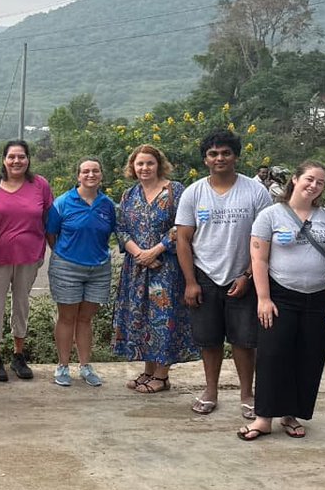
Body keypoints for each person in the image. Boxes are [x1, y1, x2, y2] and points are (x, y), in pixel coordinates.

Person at [240, 161, 325, 442]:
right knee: (273, 356)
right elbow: (259, 259)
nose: (313, 186)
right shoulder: (270, 216)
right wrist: (263, 298)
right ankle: (263, 418)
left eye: (320, 182)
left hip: (321, 297)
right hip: (280, 295)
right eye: (309, 179)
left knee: (309, 357)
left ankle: (291, 414)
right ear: (296, 180)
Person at [176, 130, 272, 417]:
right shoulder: (194, 192)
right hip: (205, 278)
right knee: (209, 340)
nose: (220, 158)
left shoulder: (255, 191)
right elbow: (183, 239)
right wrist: (191, 281)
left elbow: (265, 238)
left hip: (244, 276)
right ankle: (210, 391)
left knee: (244, 340)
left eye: (226, 153)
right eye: (213, 154)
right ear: (205, 159)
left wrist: (248, 276)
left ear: (236, 156)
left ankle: (247, 394)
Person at [112, 145, 195, 394]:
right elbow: (121, 228)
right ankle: (148, 371)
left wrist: (156, 251)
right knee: (144, 319)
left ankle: (162, 375)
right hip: (137, 268)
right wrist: (139, 253)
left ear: (158, 164)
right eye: (140, 164)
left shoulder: (175, 191)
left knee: (163, 319)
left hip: (166, 267)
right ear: (133, 167)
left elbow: (182, 225)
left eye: (149, 163)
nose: (145, 168)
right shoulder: (129, 195)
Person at [0, 140, 53, 382]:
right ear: (4, 159)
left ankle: (19, 355)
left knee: (21, 304)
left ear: (28, 159)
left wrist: (55, 250)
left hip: (29, 256)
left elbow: (48, 219)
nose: (16, 161)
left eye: (21, 157)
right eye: (11, 157)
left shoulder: (39, 184)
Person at [45, 158, 116, 387]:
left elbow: (114, 232)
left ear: (101, 175)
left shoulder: (108, 205)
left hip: (99, 269)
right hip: (67, 267)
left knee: (86, 319)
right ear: (78, 176)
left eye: (95, 170)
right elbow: (51, 234)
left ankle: (85, 366)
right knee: (67, 318)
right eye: (85, 171)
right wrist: (65, 255)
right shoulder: (63, 202)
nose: (91, 174)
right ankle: (63, 366)